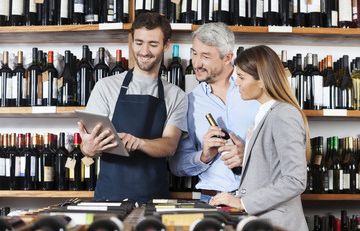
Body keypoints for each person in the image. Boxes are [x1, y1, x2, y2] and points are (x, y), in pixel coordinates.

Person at [78, 12, 188, 205]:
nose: (144, 51)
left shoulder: (175, 94)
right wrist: (88, 148)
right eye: (139, 43)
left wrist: (139, 143)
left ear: (166, 45)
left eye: (153, 44)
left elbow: (170, 146)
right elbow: (88, 147)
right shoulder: (105, 87)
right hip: (109, 198)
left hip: (155, 201)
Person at [209, 45, 310, 231]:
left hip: (280, 225)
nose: (235, 83)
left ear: (262, 80)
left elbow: (295, 180)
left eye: (241, 77)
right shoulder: (264, 114)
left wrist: (242, 202)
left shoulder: (284, 114)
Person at [169, 23, 260, 203]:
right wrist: (203, 156)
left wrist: (249, 156)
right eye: (194, 53)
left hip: (257, 200)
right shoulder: (189, 102)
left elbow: (282, 151)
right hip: (211, 201)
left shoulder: (257, 90)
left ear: (228, 57)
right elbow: (175, 165)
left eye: (206, 56)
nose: (196, 63)